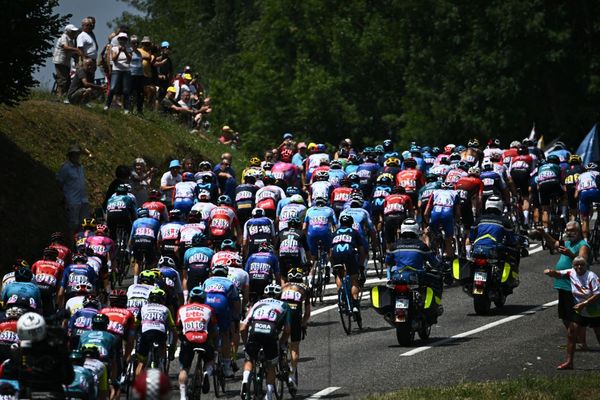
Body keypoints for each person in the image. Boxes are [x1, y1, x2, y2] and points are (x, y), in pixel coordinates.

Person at [538, 220, 590, 349]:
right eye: (567, 230)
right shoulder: (567, 243)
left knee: (576, 317)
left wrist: (570, 254)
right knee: (565, 316)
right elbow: (553, 243)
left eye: (572, 230)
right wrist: (543, 233)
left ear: (578, 231)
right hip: (562, 284)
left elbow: (582, 263)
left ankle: (582, 342)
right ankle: (574, 341)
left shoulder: (583, 245)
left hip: (574, 286)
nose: (569, 233)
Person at [544, 256, 600, 370]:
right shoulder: (571, 272)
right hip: (580, 310)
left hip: (594, 310)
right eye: (576, 265)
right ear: (573, 266)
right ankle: (569, 362)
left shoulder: (591, 276)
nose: (579, 267)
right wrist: (551, 272)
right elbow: (559, 274)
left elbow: (598, 294)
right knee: (571, 334)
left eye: (582, 265)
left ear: (586, 266)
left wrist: (584, 303)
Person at [240, 284, 291, 400]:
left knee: (249, 359)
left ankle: (245, 380)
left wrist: (245, 343)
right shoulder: (284, 305)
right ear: (279, 295)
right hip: (271, 332)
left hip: (255, 331)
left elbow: (243, 327)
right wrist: (281, 343)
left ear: (265, 294)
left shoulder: (258, 304)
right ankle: (268, 395)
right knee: (271, 365)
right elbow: (287, 330)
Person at [13, 312, 75, 399]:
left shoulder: (17, 354)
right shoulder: (57, 350)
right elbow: (68, 379)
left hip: (29, 394)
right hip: (54, 394)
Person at [176, 287, 218, 399]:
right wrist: (214, 343)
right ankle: (206, 373)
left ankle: (183, 396)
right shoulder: (208, 308)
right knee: (210, 360)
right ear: (203, 298)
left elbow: (178, 327)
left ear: (190, 298)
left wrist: (182, 338)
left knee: (184, 368)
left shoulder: (182, 309)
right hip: (203, 339)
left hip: (188, 339)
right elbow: (214, 327)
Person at [202, 264, 241, 378]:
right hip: (221, 305)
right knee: (225, 335)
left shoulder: (207, 281)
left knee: (208, 334)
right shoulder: (229, 283)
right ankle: (227, 367)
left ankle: (208, 362)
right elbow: (236, 303)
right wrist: (236, 317)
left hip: (207, 306)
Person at [135, 288, 176, 376]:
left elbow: (136, 324)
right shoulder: (165, 309)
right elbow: (173, 328)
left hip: (146, 334)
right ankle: (161, 363)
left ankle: (137, 385)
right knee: (162, 342)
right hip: (160, 333)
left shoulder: (144, 307)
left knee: (141, 362)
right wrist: (173, 345)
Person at [331, 214, 366, 317]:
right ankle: (355, 304)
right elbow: (361, 251)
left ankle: (341, 296)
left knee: (338, 275)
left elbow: (330, 251)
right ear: (351, 224)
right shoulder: (354, 232)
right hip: (349, 252)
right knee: (354, 278)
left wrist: (333, 265)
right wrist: (360, 266)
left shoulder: (335, 233)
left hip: (336, 253)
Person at [56, 144, 90, 240]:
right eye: (74, 154)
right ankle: (71, 247)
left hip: (83, 199)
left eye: (78, 154)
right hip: (72, 199)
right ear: (70, 155)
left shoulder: (80, 167)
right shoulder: (66, 167)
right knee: (73, 224)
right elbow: (59, 181)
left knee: (83, 223)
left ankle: (80, 246)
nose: (76, 156)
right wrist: (63, 195)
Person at [104, 32, 132, 113]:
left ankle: (126, 108)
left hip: (126, 71)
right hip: (116, 70)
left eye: (124, 39)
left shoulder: (129, 49)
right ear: (118, 40)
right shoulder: (114, 48)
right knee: (112, 88)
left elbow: (130, 59)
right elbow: (113, 59)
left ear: (126, 40)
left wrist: (125, 51)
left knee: (126, 90)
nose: (122, 41)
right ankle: (107, 105)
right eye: (121, 39)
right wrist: (119, 51)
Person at [53, 24, 81, 98]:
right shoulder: (64, 37)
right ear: (68, 31)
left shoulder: (70, 40)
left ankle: (64, 96)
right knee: (62, 79)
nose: (74, 33)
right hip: (60, 61)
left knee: (67, 80)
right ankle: (59, 96)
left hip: (65, 62)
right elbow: (65, 47)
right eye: (73, 31)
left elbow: (71, 52)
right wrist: (76, 50)